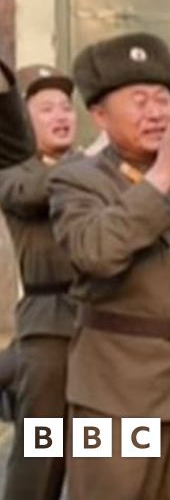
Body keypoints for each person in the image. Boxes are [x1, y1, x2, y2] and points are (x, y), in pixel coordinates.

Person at [49, 32, 170, 500]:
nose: (156, 113)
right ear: (99, 115)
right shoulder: (77, 179)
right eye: (139, 102)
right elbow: (94, 250)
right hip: (117, 390)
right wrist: (162, 175)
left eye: (163, 99)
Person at [0, 64, 78, 500]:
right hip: (49, 328)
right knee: (41, 455)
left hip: (104, 326)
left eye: (66, 107)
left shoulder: (93, 166)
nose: (61, 116)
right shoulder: (16, 174)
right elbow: (35, 194)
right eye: (46, 108)